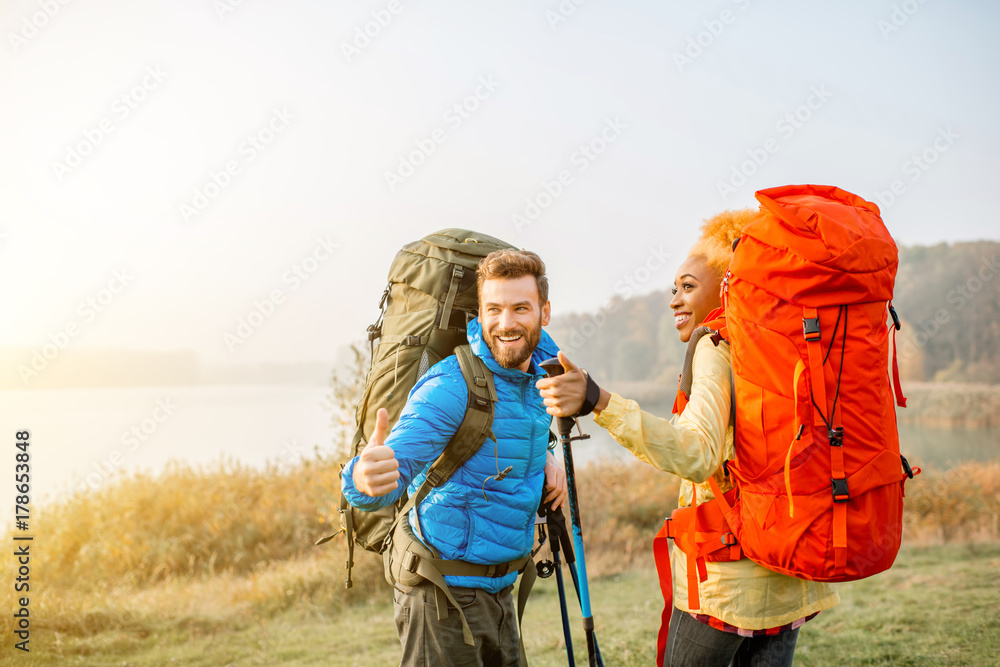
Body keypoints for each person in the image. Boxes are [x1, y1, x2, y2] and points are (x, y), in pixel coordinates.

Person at [536, 211, 840, 667]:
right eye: (673, 289)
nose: (675, 299)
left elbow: (696, 453)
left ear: (728, 286)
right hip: (790, 571)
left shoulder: (716, 347)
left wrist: (598, 400)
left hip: (728, 582)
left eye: (688, 286)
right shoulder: (783, 348)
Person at [341, 248, 569, 667]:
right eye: (494, 309)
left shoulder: (542, 375)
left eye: (521, 308)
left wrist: (548, 461)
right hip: (440, 594)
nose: (506, 323)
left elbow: (516, 432)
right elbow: (393, 467)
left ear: (545, 311)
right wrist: (363, 478)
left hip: (499, 589)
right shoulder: (451, 385)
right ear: (479, 314)